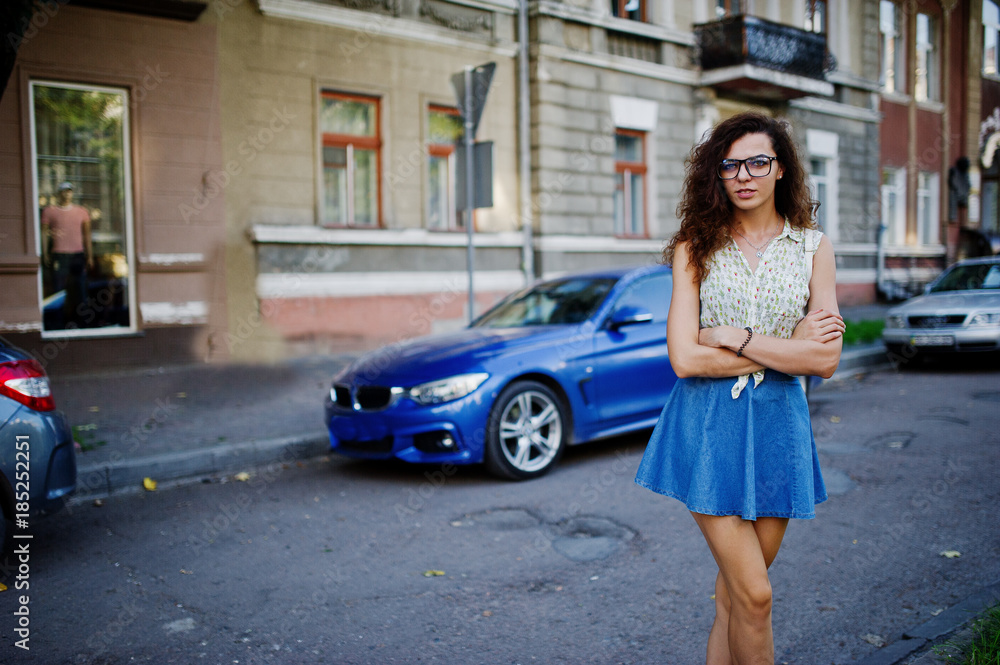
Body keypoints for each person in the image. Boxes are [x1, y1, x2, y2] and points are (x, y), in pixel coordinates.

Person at [634, 112, 845, 664]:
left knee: (733, 598)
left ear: (781, 170)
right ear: (716, 174)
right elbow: (684, 358)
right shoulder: (694, 246)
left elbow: (825, 358)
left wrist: (736, 337)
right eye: (730, 165)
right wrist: (783, 348)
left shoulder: (812, 248)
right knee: (756, 594)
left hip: (779, 430)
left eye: (758, 162)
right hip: (707, 427)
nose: (743, 175)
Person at [41, 181, 93, 328]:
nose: (67, 194)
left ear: (72, 193)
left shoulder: (82, 211)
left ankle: (83, 324)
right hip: (59, 255)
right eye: (64, 191)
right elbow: (44, 233)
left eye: (69, 191)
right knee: (58, 291)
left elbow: (87, 235)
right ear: (59, 193)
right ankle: (57, 324)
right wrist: (45, 253)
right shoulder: (49, 211)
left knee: (80, 289)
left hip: (78, 255)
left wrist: (89, 255)